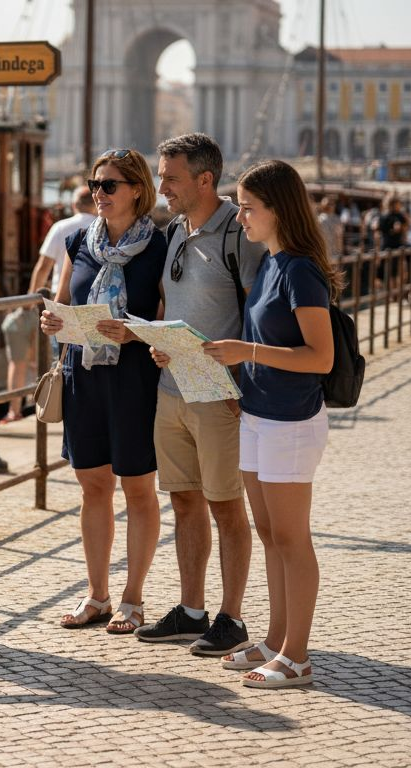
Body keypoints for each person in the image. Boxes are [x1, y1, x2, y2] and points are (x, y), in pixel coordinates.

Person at [201, 159, 340, 689]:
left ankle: (297, 656)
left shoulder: (300, 269)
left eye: (248, 207)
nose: (240, 217)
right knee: (267, 533)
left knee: (290, 536)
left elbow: (320, 357)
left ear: (278, 209)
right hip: (258, 413)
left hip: (292, 420)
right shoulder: (270, 265)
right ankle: (276, 639)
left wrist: (244, 349)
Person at [136, 133, 263, 657]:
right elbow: (176, 305)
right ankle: (192, 611)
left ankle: (232, 617)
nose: (160, 186)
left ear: (204, 180)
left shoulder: (241, 232)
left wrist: (247, 383)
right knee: (185, 500)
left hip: (220, 396)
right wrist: (162, 342)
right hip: (173, 389)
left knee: (226, 506)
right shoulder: (175, 232)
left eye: (170, 177)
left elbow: (261, 313)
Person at [39, 148, 165, 635]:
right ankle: (97, 594)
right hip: (83, 377)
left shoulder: (160, 245)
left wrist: (136, 332)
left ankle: (132, 600)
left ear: (137, 189)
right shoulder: (78, 242)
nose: (99, 193)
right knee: (93, 487)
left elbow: (168, 317)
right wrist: (53, 320)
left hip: (134, 382)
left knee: (138, 489)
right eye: (95, 184)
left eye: (109, 185)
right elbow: (64, 303)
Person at [29, 185, 97, 297]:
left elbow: (43, 267)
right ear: (95, 204)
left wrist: (30, 301)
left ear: (73, 205)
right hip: (93, 296)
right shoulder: (104, 227)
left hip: (60, 295)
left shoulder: (60, 227)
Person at [0, 305, 34, 424]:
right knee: (33, 362)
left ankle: (14, 411)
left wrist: (25, 306)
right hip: (47, 309)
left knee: (18, 364)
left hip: (34, 311)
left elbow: (34, 289)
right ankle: (19, 410)